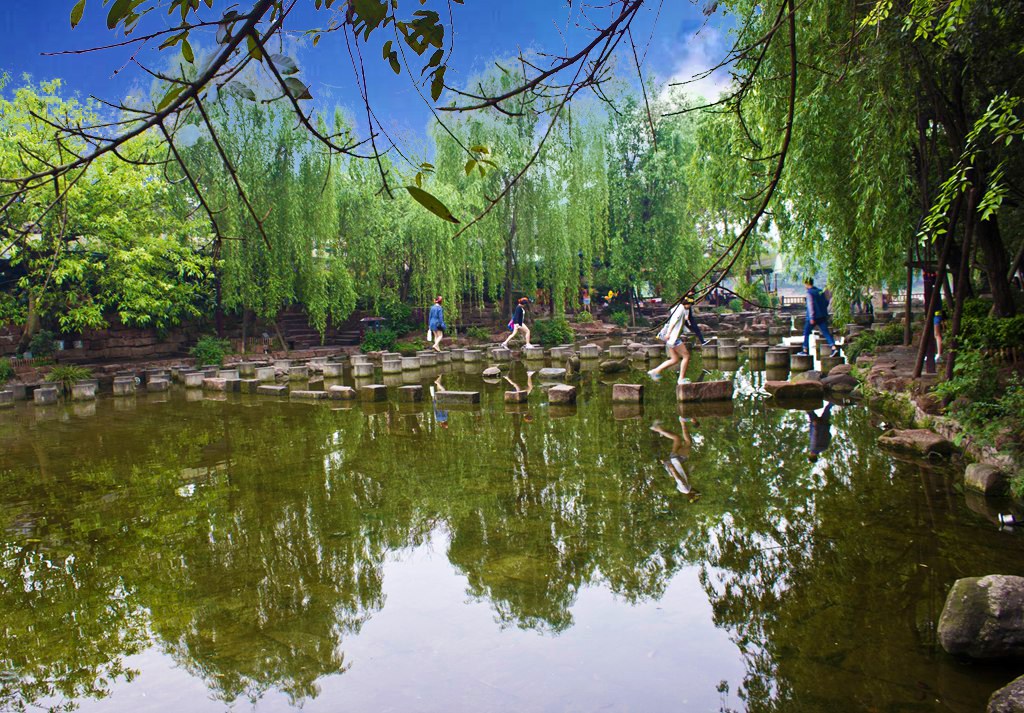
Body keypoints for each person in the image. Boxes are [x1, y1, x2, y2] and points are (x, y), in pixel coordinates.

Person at [650, 417, 700, 500]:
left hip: (677, 460)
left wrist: (671, 468)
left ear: (693, 494)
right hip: (674, 460)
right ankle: (658, 429)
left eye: (696, 493)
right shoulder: (684, 489)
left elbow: (678, 479)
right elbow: (679, 476)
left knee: (688, 443)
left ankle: (682, 421)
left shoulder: (686, 489)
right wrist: (667, 464)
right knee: (676, 438)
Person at [647, 301, 691, 384]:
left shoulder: (679, 308)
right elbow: (673, 322)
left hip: (671, 338)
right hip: (673, 338)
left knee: (674, 359)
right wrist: (668, 333)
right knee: (686, 356)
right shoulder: (680, 309)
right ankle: (681, 379)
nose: (691, 306)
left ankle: (655, 371)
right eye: (690, 304)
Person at [799, 278, 839, 357]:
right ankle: (834, 348)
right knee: (826, 332)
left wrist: (811, 317)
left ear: (807, 284)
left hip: (813, 317)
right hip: (822, 316)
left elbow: (810, 306)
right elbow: (826, 302)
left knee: (806, 333)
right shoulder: (820, 291)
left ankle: (805, 350)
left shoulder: (809, 293)